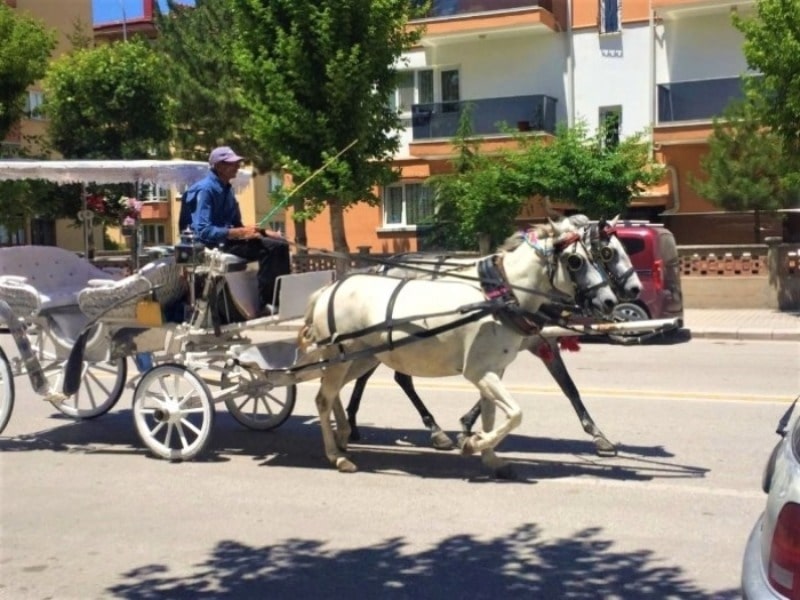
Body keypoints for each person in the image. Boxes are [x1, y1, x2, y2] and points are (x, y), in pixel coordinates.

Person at [184, 146, 291, 315]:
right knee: (271, 248)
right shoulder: (206, 190)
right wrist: (240, 233)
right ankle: (267, 304)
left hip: (229, 240)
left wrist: (264, 232)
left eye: (237, 163)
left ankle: (282, 297)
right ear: (219, 166)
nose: (237, 166)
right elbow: (204, 231)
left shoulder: (227, 189)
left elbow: (238, 225)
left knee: (281, 243)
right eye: (232, 163)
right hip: (214, 245)